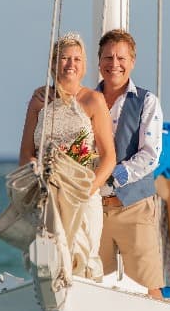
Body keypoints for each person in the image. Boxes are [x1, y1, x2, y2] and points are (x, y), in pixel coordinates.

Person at [19, 32, 117, 278]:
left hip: (84, 194)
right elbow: (26, 154)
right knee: (50, 263)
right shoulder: (39, 101)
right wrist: (40, 180)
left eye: (76, 59)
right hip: (47, 196)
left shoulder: (94, 100)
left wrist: (88, 189)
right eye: (64, 58)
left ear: (84, 66)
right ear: (53, 64)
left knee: (83, 262)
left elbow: (108, 157)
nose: (70, 64)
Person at [95, 28, 166, 296]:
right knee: (95, 285)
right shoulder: (88, 100)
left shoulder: (147, 101)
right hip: (95, 210)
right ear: (99, 61)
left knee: (148, 287)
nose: (114, 64)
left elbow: (150, 155)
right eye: (108, 57)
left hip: (134, 207)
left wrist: (112, 177)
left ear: (132, 62)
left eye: (121, 58)